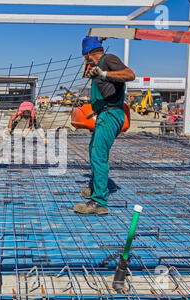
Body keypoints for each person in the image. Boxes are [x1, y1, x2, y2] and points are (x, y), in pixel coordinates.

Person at [73, 37, 135, 216]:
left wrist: (104, 74)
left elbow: (130, 75)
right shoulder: (98, 66)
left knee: (99, 155)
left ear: (88, 54)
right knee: (94, 151)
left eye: (85, 57)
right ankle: (96, 188)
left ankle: (99, 202)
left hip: (110, 114)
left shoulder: (108, 60)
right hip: (104, 115)